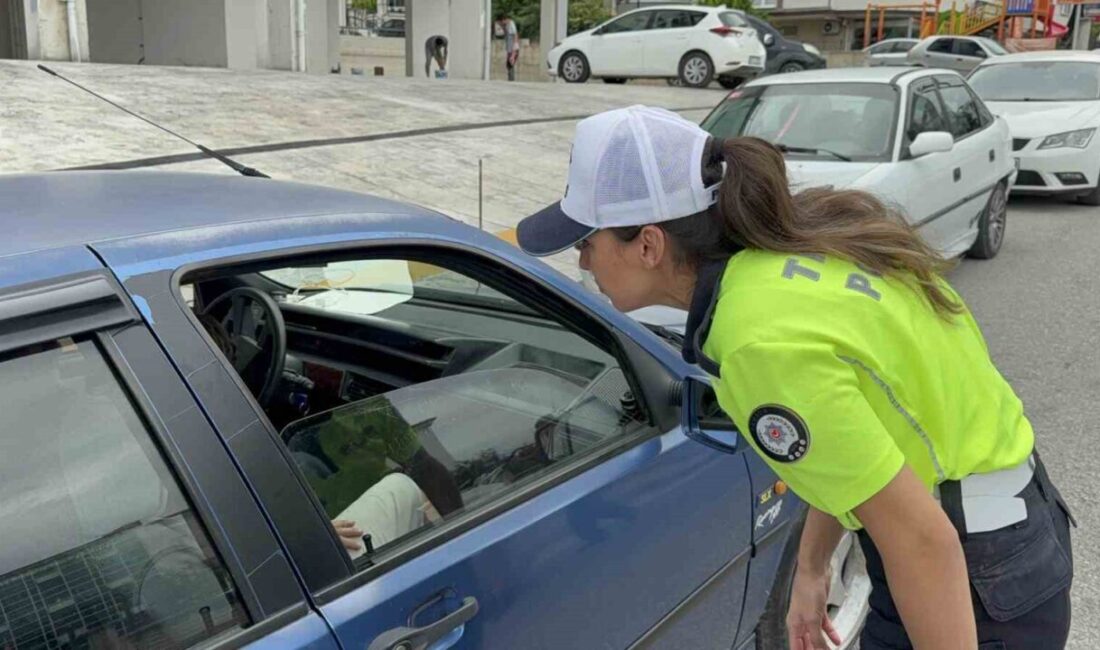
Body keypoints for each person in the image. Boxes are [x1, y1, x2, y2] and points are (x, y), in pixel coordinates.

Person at [515, 105, 1075, 650]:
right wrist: (810, 568)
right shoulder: (797, 250)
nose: (583, 264)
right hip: (1011, 538)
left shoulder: (757, 341)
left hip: (969, 570)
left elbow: (923, 543)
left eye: (586, 243)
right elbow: (856, 442)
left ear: (648, 244)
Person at [495, 13, 520, 81]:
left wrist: (514, 49)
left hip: (513, 49)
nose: (500, 24)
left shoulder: (511, 24)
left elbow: (515, 35)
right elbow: (505, 35)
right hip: (510, 49)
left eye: (500, 22)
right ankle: (510, 79)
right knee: (509, 64)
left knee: (510, 64)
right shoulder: (507, 25)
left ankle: (511, 80)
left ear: (503, 20)